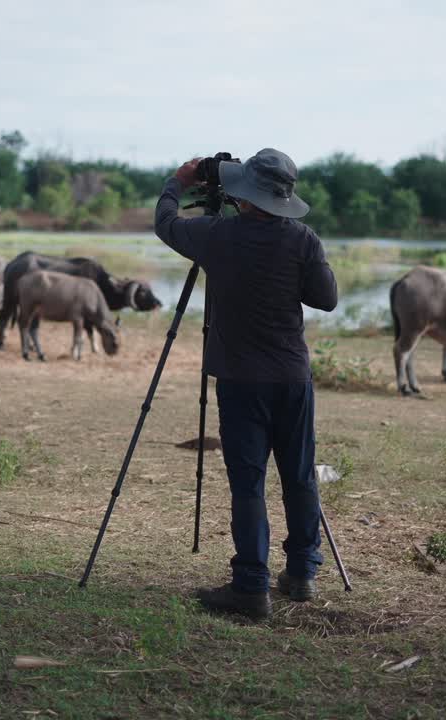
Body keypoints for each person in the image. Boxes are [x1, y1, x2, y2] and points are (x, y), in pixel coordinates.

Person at [154, 148, 338, 620]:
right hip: (292, 378)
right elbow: (327, 299)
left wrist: (178, 182)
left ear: (244, 194)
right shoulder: (303, 239)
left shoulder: (216, 235)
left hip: (240, 381)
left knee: (249, 483)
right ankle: (302, 574)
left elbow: (167, 223)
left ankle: (251, 587)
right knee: (298, 476)